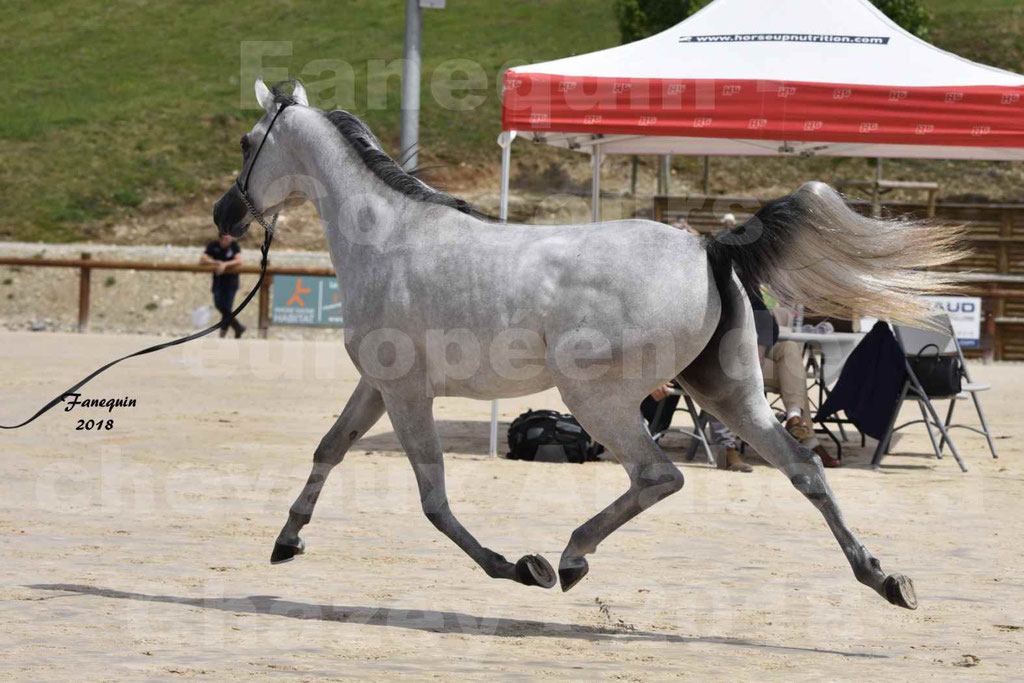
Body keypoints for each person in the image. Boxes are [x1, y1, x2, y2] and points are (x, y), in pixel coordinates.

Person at [200, 233, 246, 338]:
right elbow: (203, 259)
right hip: (218, 281)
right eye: (226, 238)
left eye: (230, 237)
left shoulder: (233, 245)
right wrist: (216, 262)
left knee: (227, 308)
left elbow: (239, 260)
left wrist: (225, 264)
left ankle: (223, 334)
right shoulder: (213, 245)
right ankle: (238, 327)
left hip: (231, 282)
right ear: (221, 239)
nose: (228, 240)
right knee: (219, 305)